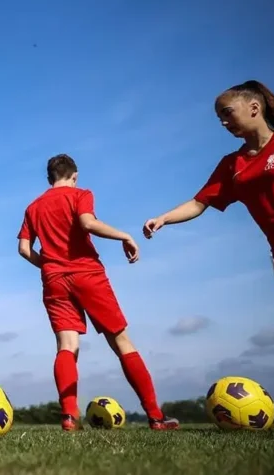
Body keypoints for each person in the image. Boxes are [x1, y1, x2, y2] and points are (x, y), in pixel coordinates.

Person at [143, 80, 274, 347]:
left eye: (227, 112)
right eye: (219, 118)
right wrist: (163, 218)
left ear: (254, 107)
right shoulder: (232, 165)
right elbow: (199, 202)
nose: (224, 123)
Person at [17, 154, 180, 431]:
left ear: (49, 178)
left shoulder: (33, 207)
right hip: (87, 274)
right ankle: (155, 416)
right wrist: (125, 236)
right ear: (75, 175)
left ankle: (69, 416)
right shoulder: (81, 194)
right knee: (122, 342)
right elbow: (88, 223)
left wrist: (49, 265)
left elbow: (23, 248)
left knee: (67, 346)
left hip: (53, 279)